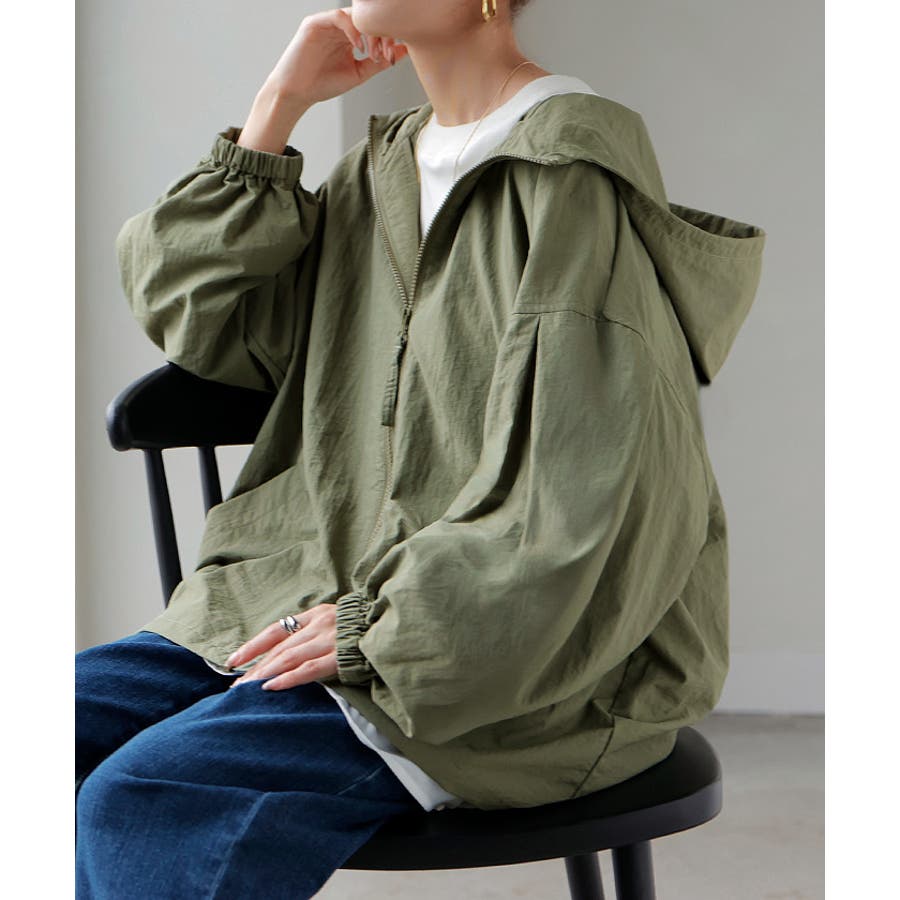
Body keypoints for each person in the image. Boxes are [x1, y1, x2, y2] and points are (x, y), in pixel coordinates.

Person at [76, 1, 767, 897]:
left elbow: (590, 489)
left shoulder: (567, 179)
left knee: (148, 800)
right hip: (291, 593)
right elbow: (196, 311)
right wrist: (279, 104)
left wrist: (380, 627)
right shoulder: (381, 174)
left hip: (506, 653)